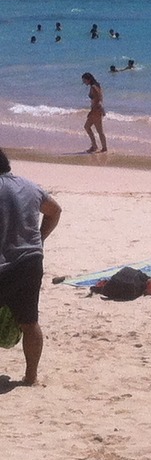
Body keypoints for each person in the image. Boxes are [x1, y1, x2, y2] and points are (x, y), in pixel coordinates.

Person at [0, 149, 61, 385]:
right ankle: (31, 377)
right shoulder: (29, 186)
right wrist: (40, 239)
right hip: (29, 262)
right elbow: (55, 211)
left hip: (4, 264)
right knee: (29, 322)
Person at [81, 73, 107, 152]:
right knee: (98, 130)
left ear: (88, 79)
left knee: (87, 127)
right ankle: (102, 147)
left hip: (95, 110)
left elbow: (97, 100)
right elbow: (99, 99)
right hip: (98, 110)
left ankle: (96, 146)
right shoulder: (97, 85)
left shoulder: (93, 87)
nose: (84, 82)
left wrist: (91, 111)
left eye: (84, 80)